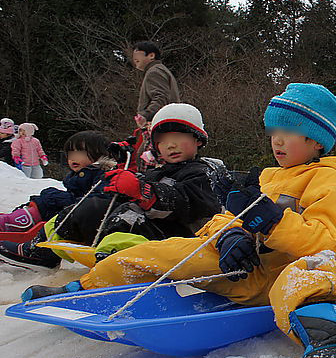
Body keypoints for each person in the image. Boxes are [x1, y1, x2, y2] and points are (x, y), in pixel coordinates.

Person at [20, 83, 336, 358]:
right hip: (252, 272)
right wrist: (229, 237)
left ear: (316, 139)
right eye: (274, 130)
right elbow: (221, 218)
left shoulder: (329, 181)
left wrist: (272, 221)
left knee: (312, 269)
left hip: (299, 272)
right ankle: (83, 291)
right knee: (161, 251)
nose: (277, 140)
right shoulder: (269, 179)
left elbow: (328, 240)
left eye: (289, 131)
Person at [1, 104, 223, 271]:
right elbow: (133, 190)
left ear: (198, 140)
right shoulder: (158, 172)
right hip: (149, 230)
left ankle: (115, 268)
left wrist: (144, 192)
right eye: (163, 141)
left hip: (176, 239)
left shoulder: (203, 172)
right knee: (91, 205)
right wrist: (122, 179)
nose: (171, 145)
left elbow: (193, 203)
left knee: (128, 218)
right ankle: (42, 250)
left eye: (178, 137)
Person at [0, 131, 113, 259]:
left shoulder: (104, 175)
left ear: (99, 155)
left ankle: (14, 223)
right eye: (70, 154)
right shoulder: (83, 173)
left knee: (51, 199)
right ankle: (15, 219)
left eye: (79, 153)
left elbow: (97, 201)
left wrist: (60, 199)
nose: (72, 158)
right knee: (48, 196)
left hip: (80, 216)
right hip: (71, 210)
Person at [129, 41, 180, 170]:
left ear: (151, 55)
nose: (134, 58)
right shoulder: (159, 70)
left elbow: (160, 98)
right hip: (165, 124)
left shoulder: (154, 71)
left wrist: (145, 115)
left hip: (157, 125)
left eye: (137, 54)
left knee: (148, 161)